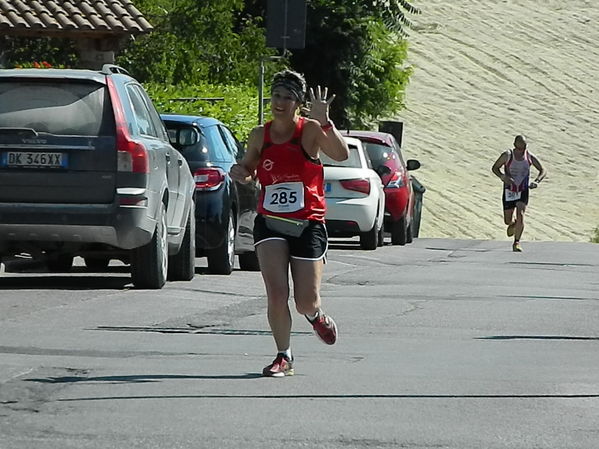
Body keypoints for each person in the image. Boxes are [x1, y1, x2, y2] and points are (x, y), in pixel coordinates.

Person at [230, 69, 349, 377]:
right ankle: (284, 355)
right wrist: (241, 172)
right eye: (276, 96)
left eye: (287, 98)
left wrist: (325, 122)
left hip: (307, 223)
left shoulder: (308, 131)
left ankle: (316, 316)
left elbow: (340, 153)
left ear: (298, 103)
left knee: (304, 301)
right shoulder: (261, 134)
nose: (279, 103)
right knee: (276, 294)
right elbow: (248, 166)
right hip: (270, 222)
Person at [491, 135, 547, 252]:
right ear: (515, 146)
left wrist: (537, 181)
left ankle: (516, 242)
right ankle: (513, 224)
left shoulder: (529, 156)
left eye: (524, 147)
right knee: (507, 220)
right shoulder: (507, 155)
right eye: (520, 148)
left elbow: (543, 169)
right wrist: (502, 176)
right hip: (509, 190)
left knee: (521, 213)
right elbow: (495, 168)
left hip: (523, 190)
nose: (522, 151)